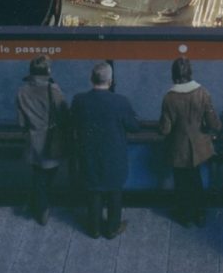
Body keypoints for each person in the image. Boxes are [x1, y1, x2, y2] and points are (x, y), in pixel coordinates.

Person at [70, 61, 140, 239]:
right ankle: (112, 228)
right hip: (114, 155)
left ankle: (93, 229)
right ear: (111, 81)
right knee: (114, 191)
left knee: (93, 190)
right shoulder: (121, 101)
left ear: (91, 78)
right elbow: (134, 126)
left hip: (89, 154)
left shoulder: (79, 100)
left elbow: (72, 122)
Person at [159, 56, 222, 227]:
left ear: (173, 74)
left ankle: (185, 217)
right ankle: (200, 215)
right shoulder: (203, 93)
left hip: (177, 149)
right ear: (190, 73)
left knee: (181, 182)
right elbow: (213, 123)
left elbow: (165, 129)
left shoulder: (169, 97)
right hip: (199, 148)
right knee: (196, 180)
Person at [15, 55, 69, 225]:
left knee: (38, 174)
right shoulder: (53, 90)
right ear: (48, 71)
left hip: (33, 140)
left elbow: (21, 122)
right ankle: (42, 209)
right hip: (52, 140)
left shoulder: (21, 91)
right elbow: (64, 114)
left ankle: (37, 204)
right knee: (47, 175)